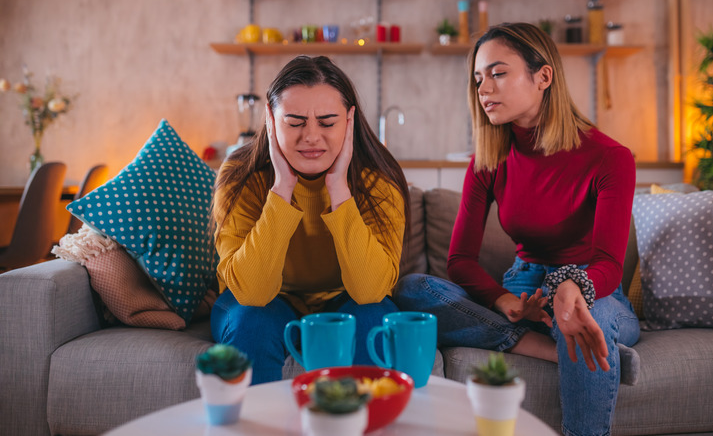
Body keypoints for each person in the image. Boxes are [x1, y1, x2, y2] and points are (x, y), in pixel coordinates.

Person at [394, 22, 639, 436]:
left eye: (498, 73)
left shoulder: (609, 157)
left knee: (579, 314)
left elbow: (609, 264)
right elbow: (459, 261)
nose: (483, 88)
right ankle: (549, 348)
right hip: (524, 289)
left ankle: (572, 357)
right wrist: (504, 298)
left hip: (594, 291)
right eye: (478, 78)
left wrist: (570, 287)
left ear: (543, 77)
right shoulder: (487, 160)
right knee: (413, 288)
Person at [211, 55, 409, 385]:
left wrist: (338, 189)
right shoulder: (240, 177)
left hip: (347, 300)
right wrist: (283, 187)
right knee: (251, 321)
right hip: (261, 303)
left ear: (349, 121)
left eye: (328, 122)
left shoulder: (378, 182)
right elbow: (253, 293)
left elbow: (370, 291)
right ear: (271, 121)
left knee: (375, 316)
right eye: (295, 122)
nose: (312, 136)